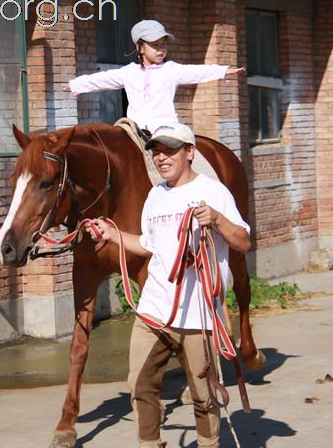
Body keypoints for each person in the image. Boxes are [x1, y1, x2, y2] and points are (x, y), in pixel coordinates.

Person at [86, 123, 251, 448]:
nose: (162, 157)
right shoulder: (155, 195)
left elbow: (243, 242)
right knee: (140, 386)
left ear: (190, 152)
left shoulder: (213, 191)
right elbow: (149, 244)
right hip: (154, 311)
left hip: (197, 315)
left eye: (170, 149)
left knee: (203, 396)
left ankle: (209, 444)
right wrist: (112, 234)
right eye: (156, 151)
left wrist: (217, 219)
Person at [64, 19, 245, 134]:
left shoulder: (171, 70)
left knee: (184, 147)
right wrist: (75, 85)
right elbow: (101, 79)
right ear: (139, 47)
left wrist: (222, 71)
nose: (161, 49)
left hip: (165, 129)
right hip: (133, 130)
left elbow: (196, 71)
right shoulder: (129, 72)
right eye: (155, 45)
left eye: (163, 45)